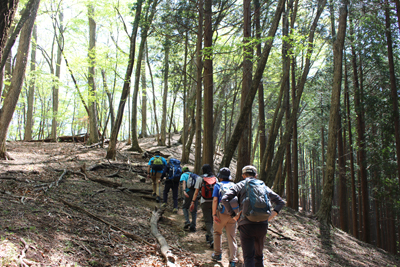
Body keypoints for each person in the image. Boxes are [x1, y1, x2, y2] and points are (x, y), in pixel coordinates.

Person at [221, 165, 285, 267]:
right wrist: (270, 217)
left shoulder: (240, 185)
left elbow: (225, 199)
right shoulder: (263, 186)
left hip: (246, 224)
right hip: (262, 225)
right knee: (259, 256)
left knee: (248, 257)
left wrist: (234, 215)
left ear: (243, 175)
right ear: (255, 175)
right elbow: (280, 202)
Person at [211, 167, 238, 267]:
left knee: (217, 232)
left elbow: (215, 200)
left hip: (221, 213)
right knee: (231, 236)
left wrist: (214, 214)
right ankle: (233, 260)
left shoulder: (218, 185)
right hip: (233, 214)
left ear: (220, 177)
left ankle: (217, 254)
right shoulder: (234, 185)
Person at [190, 164, 216, 248]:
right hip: (214, 202)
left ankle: (212, 239)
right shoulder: (215, 178)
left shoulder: (200, 178)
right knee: (213, 220)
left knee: (208, 221)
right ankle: (211, 237)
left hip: (204, 201)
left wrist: (193, 202)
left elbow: (196, 192)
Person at [180, 166, 198, 231]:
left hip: (188, 192)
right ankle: (193, 226)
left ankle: (187, 221)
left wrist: (184, 191)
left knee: (185, 207)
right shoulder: (194, 175)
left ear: (183, 171)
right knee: (194, 209)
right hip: (195, 192)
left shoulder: (184, 175)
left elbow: (184, 182)